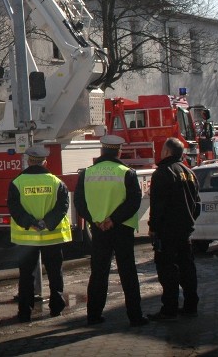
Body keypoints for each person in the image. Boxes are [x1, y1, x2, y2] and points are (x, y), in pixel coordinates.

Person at [74, 134, 149, 327]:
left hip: (99, 230)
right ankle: (135, 316)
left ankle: (93, 315)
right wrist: (113, 220)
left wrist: (96, 220)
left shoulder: (87, 173)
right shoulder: (126, 172)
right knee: (128, 273)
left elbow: (79, 203)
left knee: (98, 272)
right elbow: (134, 202)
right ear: (119, 150)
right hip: (122, 228)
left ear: (102, 150)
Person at [7, 144, 71, 322]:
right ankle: (56, 308)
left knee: (27, 276)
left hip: (27, 239)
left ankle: (25, 312)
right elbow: (63, 207)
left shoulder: (17, 183)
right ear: (45, 162)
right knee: (55, 273)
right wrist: (46, 223)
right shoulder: (56, 182)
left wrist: (31, 223)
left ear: (28, 161)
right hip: (52, 237)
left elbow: (14, 208)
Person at [147, 137, 201, 321]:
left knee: (167, 270)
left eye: (162, 148)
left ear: (168, 152)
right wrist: (189, 220)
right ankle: (190, 306)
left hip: (167, 232)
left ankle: (169, 309)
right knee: (187, 269)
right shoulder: (189, 172)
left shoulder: (163, 172)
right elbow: (198, 204)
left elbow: (158, 205)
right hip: (185, 231)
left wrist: (153, 228)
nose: (159, 152)